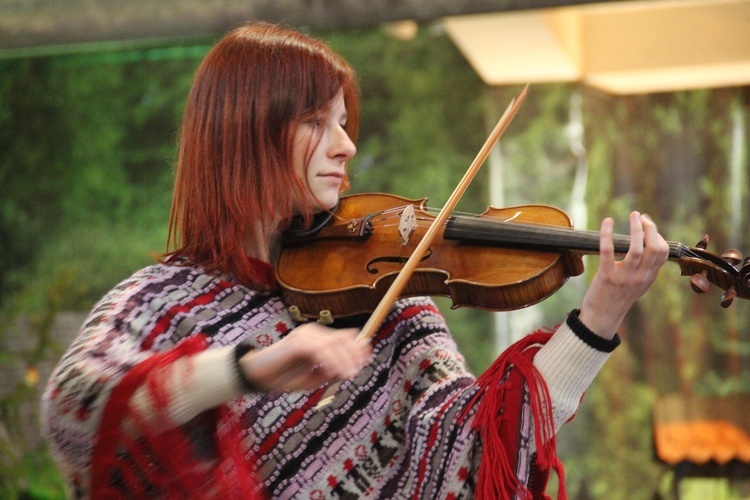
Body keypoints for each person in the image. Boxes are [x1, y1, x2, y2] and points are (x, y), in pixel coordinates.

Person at [40, 22, 669, 499]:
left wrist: (599, 316)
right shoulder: (161, 299)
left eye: (345, 122)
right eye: (318, 121)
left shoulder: (388, 296)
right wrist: (247, 371)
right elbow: (74, 410)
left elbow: (480, 461)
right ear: (246, 132)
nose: (347, 145)